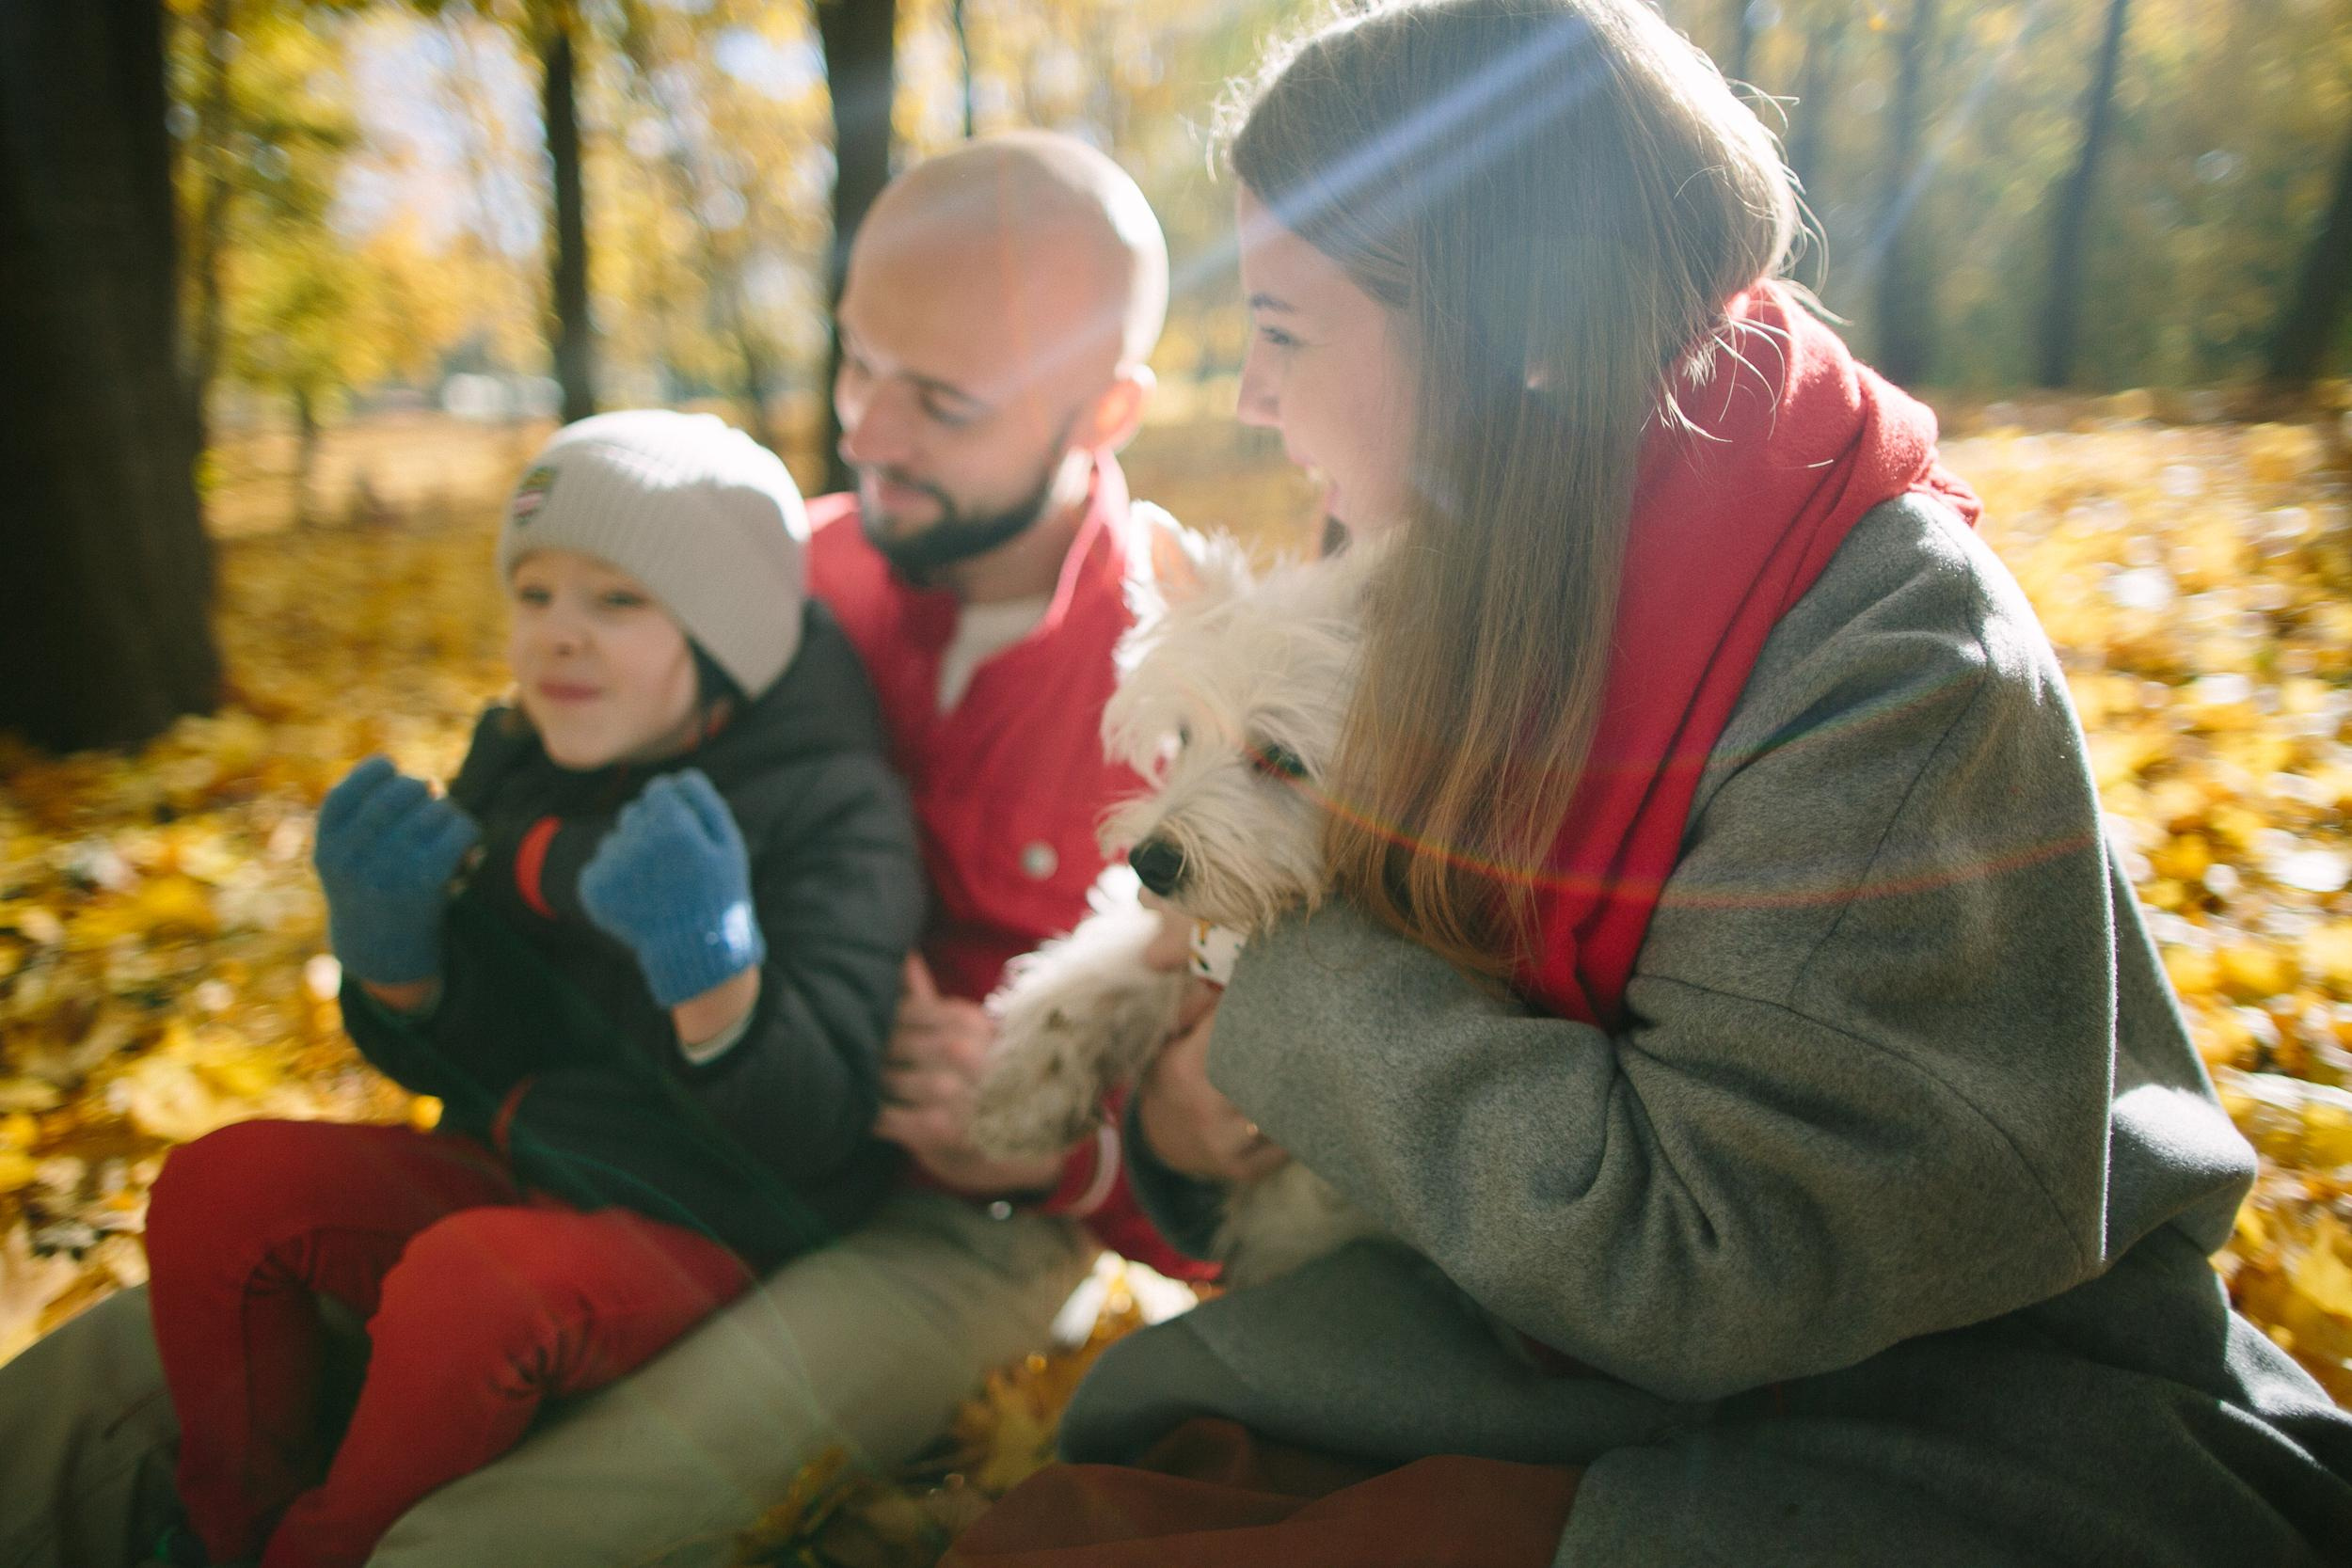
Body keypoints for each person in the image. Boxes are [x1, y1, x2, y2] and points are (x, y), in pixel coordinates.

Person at [945, 4, 2352, 1564]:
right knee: (1083, 1502)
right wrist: (1198, 1125)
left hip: (1909, 1402)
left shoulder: (1887, 665)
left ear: (1522, 325)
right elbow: (1336, 988)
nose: (1257, 402)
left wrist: (1268, 994)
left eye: (1285, 329)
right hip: (1537, 1325)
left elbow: (1714, 1261)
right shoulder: (1457, 567)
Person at [0, 132, 1211, 1568]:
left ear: (1109, 406)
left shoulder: (1194, 685)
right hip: (633, 1137)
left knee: (504, 1529)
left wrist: (1065, 1149)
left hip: (953, 1220)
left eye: (940, 401)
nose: (871, 433)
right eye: (855, 367)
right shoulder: (756, 575)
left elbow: (1235, 1154)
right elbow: (536, 847)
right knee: (86, 1403)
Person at [139, 407, 924, 1568]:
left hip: (709, 1214)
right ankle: (232, 1527)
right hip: (523, 1153)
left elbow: (814, 1126)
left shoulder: (832, 805)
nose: (558, 635)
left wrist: (711, 971)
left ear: (727, 638)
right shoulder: (521, 749)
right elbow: (470, 1045)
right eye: (535, 593)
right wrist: (397, 959)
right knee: (224, 1183)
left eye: (617, 600)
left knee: (474, 1287)